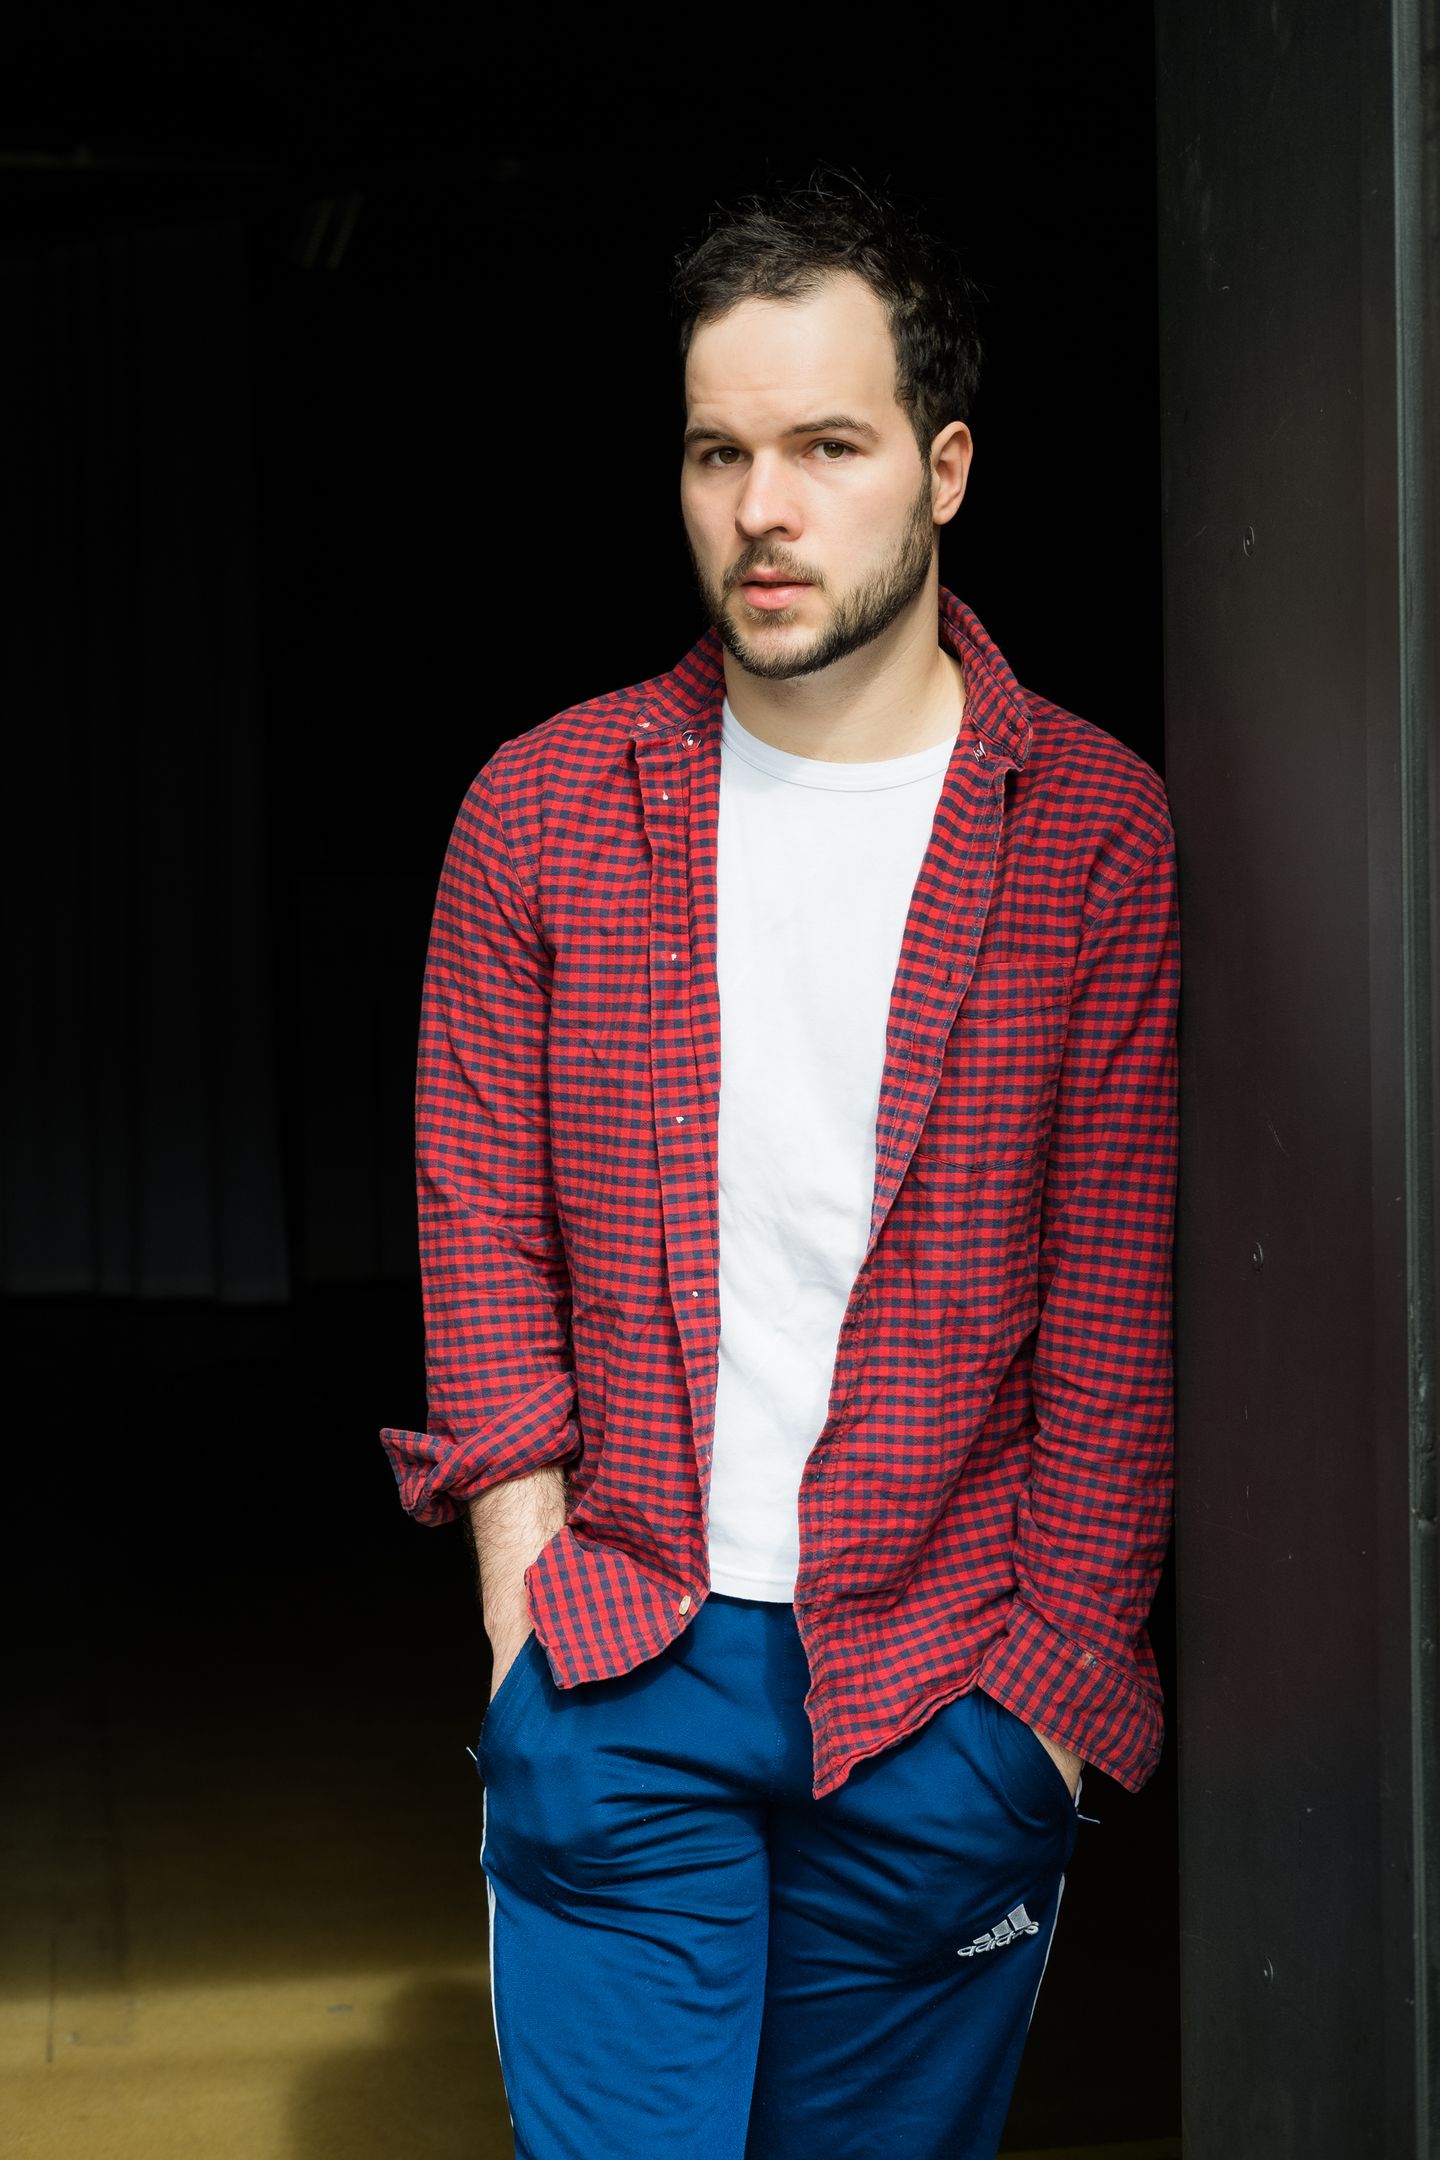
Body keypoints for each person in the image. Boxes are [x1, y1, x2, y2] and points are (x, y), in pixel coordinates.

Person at [381, 174, 1179, 2160]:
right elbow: (480, 1236)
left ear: (946, 469)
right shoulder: (542, 814)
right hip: (619, 1656)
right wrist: (521, 1619)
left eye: (828, 447)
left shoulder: (1092, 831)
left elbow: (1113, 1315)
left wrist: (1043, 1717)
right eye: (719, 452)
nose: (763, 508)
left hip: (942, 1689)